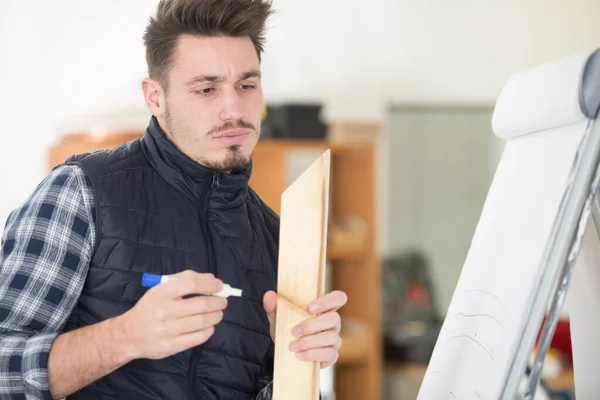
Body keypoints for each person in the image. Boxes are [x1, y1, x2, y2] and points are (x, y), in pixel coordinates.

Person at [0, 0, 347, 399]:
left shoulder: (276, 237)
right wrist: (124, 337)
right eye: (206, 89)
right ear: (154, 96)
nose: (234, 108)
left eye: (247, 85)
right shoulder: (81, 192)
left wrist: (298, 367)